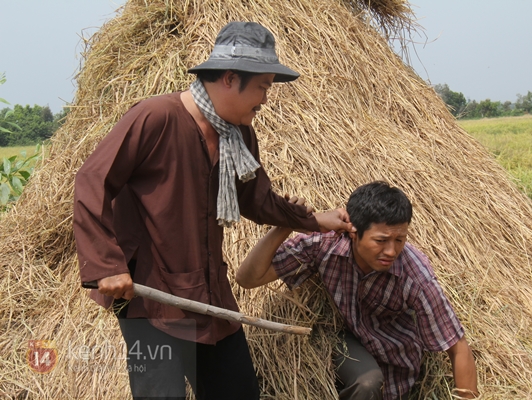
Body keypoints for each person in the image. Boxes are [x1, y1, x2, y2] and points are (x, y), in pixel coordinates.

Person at [73, 21, 352, 400]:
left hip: (208, 295)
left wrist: (314, 221)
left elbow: (256, 199)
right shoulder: (156, 117)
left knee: (236, 393)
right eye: (263, 86)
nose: (266, 99)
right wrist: (108, 266)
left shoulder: (239, 135)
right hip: (153, 298)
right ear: (229, 78)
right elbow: (93, 180)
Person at [236, 181, 479, 400]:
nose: (392, 251)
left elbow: (457, 347)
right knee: (367, 383)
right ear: (354, 233)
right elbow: (248, 278)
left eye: (400, 240)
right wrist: (286, 223)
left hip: (397, 366)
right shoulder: (326, 245)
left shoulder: (414, 275)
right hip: (346, 345)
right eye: (381, 241)